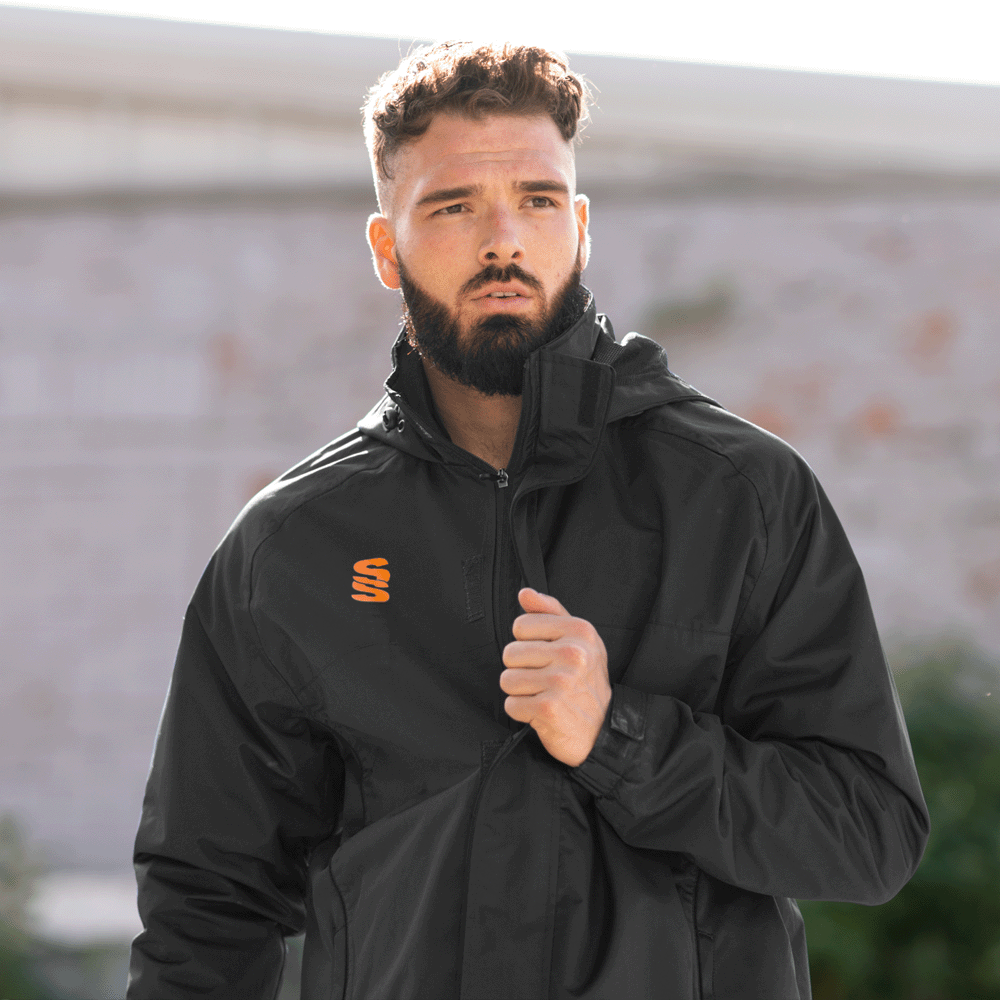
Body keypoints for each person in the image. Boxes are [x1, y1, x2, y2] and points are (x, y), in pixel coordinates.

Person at [127, 41, 930, 1000]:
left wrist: (619, 738)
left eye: (538, 200)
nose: (502, 241)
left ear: (580, 229)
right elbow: (205, 906)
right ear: (386, 248)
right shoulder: (293, 546)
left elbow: (869, 833)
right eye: (454, 207)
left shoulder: (742, 495)